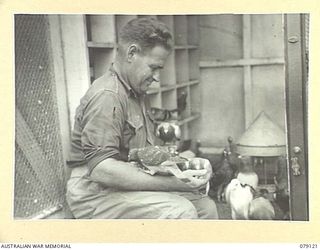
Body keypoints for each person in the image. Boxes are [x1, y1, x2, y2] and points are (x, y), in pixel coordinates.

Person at [66, 17, 218, 219]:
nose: (156, 77)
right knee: (181, 211)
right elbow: (102, 170)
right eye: (153, 67)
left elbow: (141, 155)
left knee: (205, 207)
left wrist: (186, 167)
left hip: (120, 186)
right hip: (93, 193)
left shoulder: (136, 93)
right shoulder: (108, 96)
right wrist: (173, 183)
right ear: (131, 53)